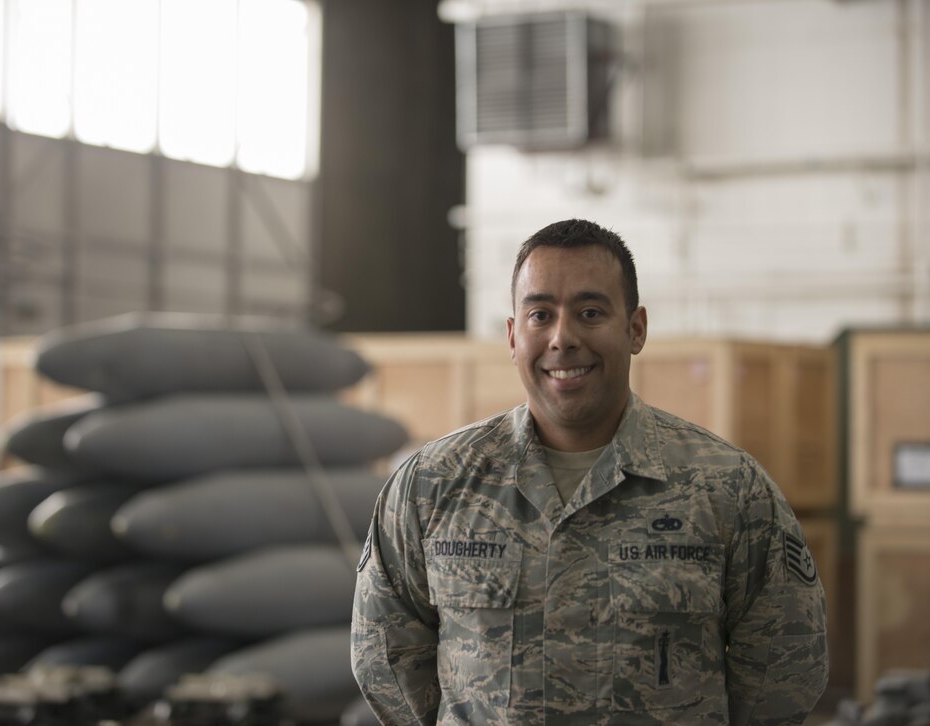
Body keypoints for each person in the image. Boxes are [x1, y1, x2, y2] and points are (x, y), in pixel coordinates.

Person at [351, 219, 829, 725]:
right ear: (513, 336)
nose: (563, 338)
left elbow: (784, 665)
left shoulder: (727, 488)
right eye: (540, 314)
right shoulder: (433, 485)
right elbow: (387, 658)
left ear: (636, 328)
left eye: (590, 312)